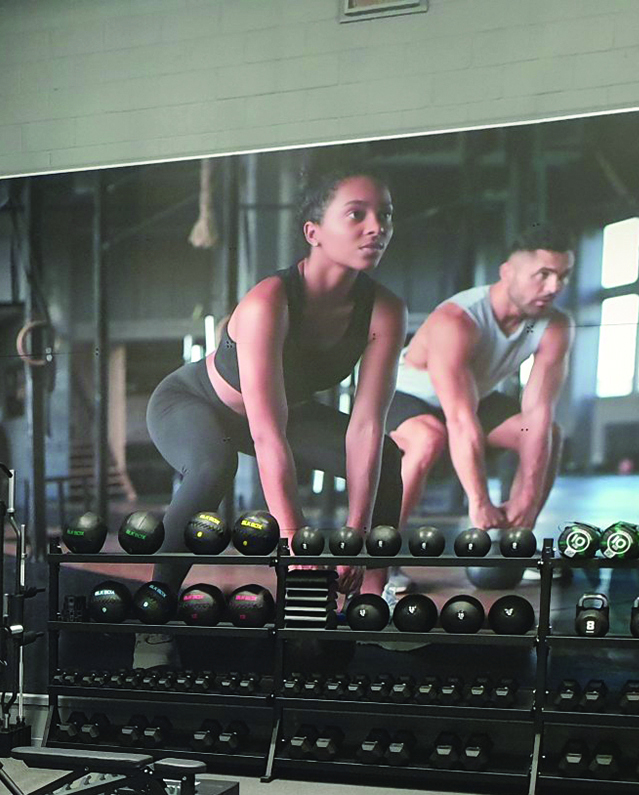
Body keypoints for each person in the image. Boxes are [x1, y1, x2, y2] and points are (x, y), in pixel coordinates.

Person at [145, 161, 406, 596]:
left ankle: (372, 600)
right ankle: (153, 614)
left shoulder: (385, 310)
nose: (377, 227)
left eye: (386, 214)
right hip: (195, 402)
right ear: (313, 232)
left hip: (287, 416)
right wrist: (294, 539)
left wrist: (355, 539)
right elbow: (267, 435)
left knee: (387, 456)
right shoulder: (269, 301)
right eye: (357, 214)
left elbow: (365, 426)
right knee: (213, 466)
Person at [388, 227, 575, 534]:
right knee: (428, 438)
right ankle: (379, 555)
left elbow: (538, 414)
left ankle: (516, 543)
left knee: (546, 433)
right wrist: (479, 500)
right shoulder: (458, 320)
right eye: (542, 274)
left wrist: (526, 498)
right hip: (404, 396)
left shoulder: (553, 326)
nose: (554, 287)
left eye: (563, 276)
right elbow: (460, 419)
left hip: (473, 397)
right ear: (507, 272)